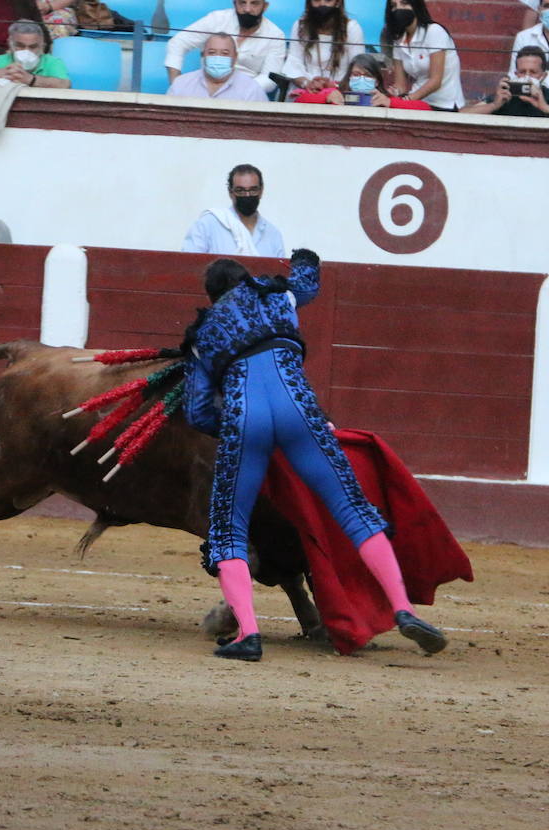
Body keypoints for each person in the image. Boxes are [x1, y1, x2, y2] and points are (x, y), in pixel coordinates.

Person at [183, 250, 449, 661]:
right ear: (246, 280)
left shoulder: (203, 337)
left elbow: (197, 411)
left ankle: (248, 636)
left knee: (228, 530)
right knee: (354, 510)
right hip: (300, 410)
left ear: (213, 296)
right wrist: (307, 258)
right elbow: (307, 283)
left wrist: (240, 432)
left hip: (244, 418)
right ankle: (402, 608)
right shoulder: (277, 295)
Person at [165, 0, 287, 97]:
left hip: (246, 97)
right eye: (242, 2)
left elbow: (270, 77)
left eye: (254, 3)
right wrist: (176, 83)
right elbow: (178, 43)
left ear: (265, 6)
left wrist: (242, 91)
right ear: (234, 3)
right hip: (204, 90)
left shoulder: (275, 35)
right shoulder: (216, 19)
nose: (247, 9)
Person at [182, 164, 287, 257]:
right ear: (230, 192)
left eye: (253, 190)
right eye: (240, 190)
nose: (247, 195)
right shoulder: (207, 225)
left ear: (261, 191)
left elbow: (280, 276)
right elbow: (189, 266)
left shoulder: (273, 234)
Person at [381, 0, 463, 111]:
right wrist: (394, 93)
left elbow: (436, 81)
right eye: (393, 6)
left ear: (416, 5)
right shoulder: (399, 40)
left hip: (444, 103)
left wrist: (408, 100)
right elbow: (400, 85)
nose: (399, 8)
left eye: (404, 3)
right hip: (418, 101)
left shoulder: (434, 31)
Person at [462, 45, 549, 118]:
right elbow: (462, 114)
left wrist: (545, 107)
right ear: (515, 74)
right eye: (522, 72)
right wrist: (494, 105)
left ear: (543, 76)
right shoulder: (506, 94)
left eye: (533, 72)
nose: (527, 77)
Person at [294, 52, 433, 108]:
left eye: (367, 75)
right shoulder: (337, 94)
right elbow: (299, 100)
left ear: (377, 81)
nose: (361, 78)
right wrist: (325, 98)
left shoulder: (383, 99)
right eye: (355, 74)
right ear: (349, 77)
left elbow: (425, 107)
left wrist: (390, 102)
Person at [283, 0, 365, 91]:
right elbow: (294, 64)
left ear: (338, 2)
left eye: (328, 0)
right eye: (316, 0)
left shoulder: (352, 28)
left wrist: (333, 86)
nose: (322, 4)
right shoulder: (300, 26)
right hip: (305, 90)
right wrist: (307, 83)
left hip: (340, 92)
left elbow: (357, 70)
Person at [0, 20, 71, 89]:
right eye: (20, 46)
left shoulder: (52, 62)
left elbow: (65, 85)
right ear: (10, 44)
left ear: (42, 46)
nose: (26, 50)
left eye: (33, 46)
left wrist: (30, 79)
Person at [167, 31, 270, 100]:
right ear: (203, 55)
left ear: (235, 57)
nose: (217, 57)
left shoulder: (251, 89)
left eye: (225, 53)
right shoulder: (181, 84)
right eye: (212, 52)